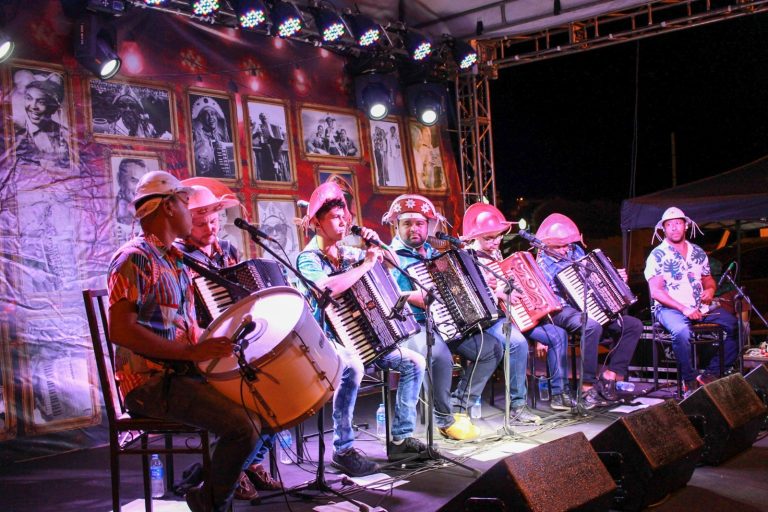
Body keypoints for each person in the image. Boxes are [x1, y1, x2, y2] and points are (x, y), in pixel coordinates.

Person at [107, 171, 260, 512]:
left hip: (181, 374)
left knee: (261, 396)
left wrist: (215, 345)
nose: (192, 210)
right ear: (168, 208)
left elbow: (182, 329)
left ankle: (206, 492)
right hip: (150, 384)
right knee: (243, 427)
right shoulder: (134, 258)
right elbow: (120, 330)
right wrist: (192, 352)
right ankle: (209, 503)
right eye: (185, 202)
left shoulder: (176, 261)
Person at [296, 182, 428, 476]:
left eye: (345, 216)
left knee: (414, 362)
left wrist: (376, 245)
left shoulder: (347, 252)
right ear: (317, 222)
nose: (344, 221)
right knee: (352, 366)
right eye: (335, 217)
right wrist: (366, 263)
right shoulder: (308, 258)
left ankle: (401, 439)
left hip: (364, 336)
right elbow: (325, 290)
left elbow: (393, 264)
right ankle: (342, 449)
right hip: (327, 341)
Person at [173, 184, 281, 501]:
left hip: (232, 342)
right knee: (255, 392)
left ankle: (249, 464)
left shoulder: (227, 251)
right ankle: (230, 471)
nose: (210, 229)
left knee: (281, 385)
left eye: (214, 222)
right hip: (200, 347)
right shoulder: (179, 259)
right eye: (201, 224)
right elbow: (187, 317)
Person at [383, 195, 499, 438]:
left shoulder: (435, 253)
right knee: (439, 356)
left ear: (428, 226)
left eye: (420, 223)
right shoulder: (388, 256)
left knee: (491, 348)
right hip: (411, 325)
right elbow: (384, 296)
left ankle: (459, 407)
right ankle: (444, 420)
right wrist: (412, 295)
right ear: (397, 226)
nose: (414, 228)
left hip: (446, 321)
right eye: (407, 223)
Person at [461, 203, 571, 414]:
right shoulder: (468, 258)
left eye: (498, 236)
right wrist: (496, 293)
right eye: (489, 238)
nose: (495, 242)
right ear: (475, 237)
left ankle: (559, 393)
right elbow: (470, 297)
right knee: (518, 343)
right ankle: (518, 405)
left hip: (515, 316)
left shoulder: (497, 255)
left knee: (558, 335)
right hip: (489, 320)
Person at [536, 213, 642, 408]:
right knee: (591, 326)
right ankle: (587, 387)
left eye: (566, 245)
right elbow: (543, 301)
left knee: (633, 325)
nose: (565, 250)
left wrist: (616, 278)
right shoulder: (541, 264)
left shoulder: (575, 250)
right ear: (546, 245)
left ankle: (610, 376)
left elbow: (597, 275)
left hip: (589, 305)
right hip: (561, 310)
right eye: (558, 246)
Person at [644, 207, 739, 395]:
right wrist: (683, 308)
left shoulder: (698, 251)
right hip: (669, 309)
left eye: (678, 223)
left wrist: (711, 290)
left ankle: (710, 374)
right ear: (664, 229)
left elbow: (707, 278)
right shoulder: (657, 255)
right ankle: (689, 379)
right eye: (669, 225)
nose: (674, 228)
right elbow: (656, 292)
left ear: (685, 225)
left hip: (700, 308)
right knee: (681, 331)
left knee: (733, 325)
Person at [13, 70, 70, 167]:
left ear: (53, 107)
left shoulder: (66, 135)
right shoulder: (17, 137)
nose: (33, 106)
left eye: (41, 102)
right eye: (29, 98)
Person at [191, 97, 233, 178]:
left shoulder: (222, 138)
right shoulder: (195, 138)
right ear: (200, 118)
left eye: (213, 114)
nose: (211, 118)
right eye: (206, 114)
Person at [252, 112, 287, 181]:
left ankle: (276, 163)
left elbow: (281, 137)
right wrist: (257, 133)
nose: (264, 118)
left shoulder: (274, 126)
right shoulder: (259, 127)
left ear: (267, 117)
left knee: (279, 146)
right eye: (262, 117)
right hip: (264, 144)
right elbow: (252, 136)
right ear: (260, 118)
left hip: (273, 145)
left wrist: (282, 134)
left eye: (264, 116)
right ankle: (275, 165)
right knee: (268, 146)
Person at [115, 159, 148, 226]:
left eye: (143, 182)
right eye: (134, 181)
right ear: (119, 179)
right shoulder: (113, 210)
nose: (140, 188)